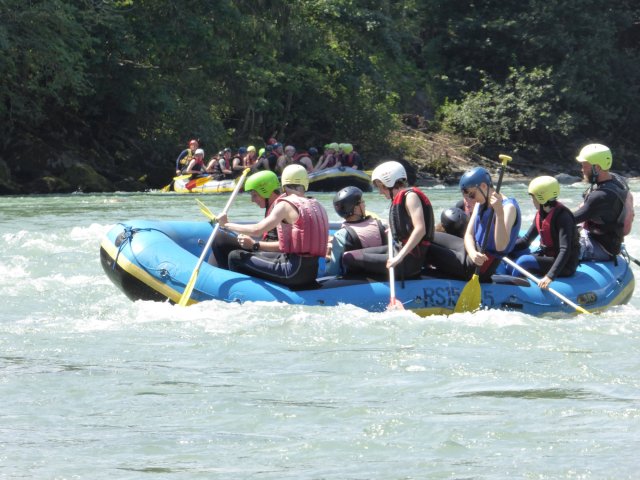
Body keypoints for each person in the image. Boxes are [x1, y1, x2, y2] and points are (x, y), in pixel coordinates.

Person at [217, 164, 329, 288]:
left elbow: (257, 230)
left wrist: (226, 224)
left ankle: (242, 293)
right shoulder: (317, 205)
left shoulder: (285, 205)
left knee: (235, 256)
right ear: (306, 184)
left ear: (283, 184)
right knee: (255, 255)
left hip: (292, 272)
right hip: (310, 272)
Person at [341, 161, 434, 279]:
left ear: (388, 183)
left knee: (349, 259)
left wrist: (399, 257)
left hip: (407, 261)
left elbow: (420, 229)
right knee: (348, 255)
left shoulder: (411, 197)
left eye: (380, 187)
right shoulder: (401, 198)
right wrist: (394, 229)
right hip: (398, 250)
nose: (380, 192)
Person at [427, 167, 521, 281]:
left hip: (481, 265)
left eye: (472, 195)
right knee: (427, 236)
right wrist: (472, 252)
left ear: (484, 186)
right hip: (471, 251)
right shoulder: (480, 202)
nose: (470, 200)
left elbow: (501, 246)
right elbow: (469, 234)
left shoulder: (508, 208)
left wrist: (499, 213)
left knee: (428, 249)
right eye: (466, 196)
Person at [507, 176, 580, 288]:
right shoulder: (541, 214)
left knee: (523, 261)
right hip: (548, 256)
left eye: (533, 197)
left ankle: (513, 289)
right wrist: (504, 248)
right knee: (512, 258)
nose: (532, 201)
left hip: (565, 264)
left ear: (542, 198)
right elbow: (526, 241)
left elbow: (565, 250)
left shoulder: (563, 217)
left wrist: (550, 276)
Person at [573, 143, 633, 261]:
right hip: (612, 242)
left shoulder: (601, 196)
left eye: (584, 166)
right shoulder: (617, 180)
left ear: (597, 167)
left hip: (600, 247)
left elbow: (570, 219)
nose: (582, 170)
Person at [211, 170, 281, 269]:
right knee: (220, 239)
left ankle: (222, 274)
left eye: (255, 195)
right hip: (265, 249)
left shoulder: (280, 208)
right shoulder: (273, 205)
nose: (252, 200)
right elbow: (263, 230)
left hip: (272, 255)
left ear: (266, 191)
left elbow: (257, 230)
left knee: (220, 239)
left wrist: (226, 224)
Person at [324, 186, 386, 276]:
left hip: (356, 279)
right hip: (383, 275)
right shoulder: (380, 225)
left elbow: (333, 271)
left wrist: (328, 259)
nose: (364, 205)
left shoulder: (341, 235)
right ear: (355, 208)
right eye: (362, 202)